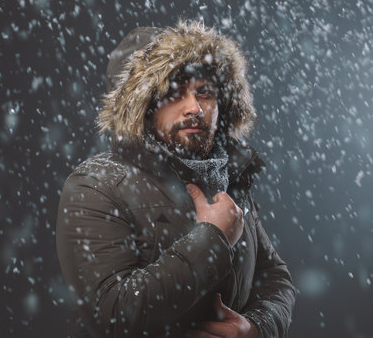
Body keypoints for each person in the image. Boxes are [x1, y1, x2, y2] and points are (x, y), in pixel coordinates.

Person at [56, 20, 296, 338]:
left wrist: (256, 329)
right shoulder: (96, 185)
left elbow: (275, 278)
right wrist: (213, 238)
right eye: (174, 92)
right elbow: (112, 313)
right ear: (142, 104)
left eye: (205, 93)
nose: (194, 107)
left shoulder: (227, 178)